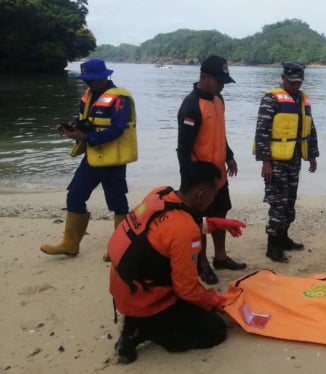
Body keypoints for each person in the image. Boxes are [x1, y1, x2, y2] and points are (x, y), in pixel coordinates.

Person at [108, 161, 246, 364]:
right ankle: (145, 330)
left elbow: (170, 227)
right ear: (201, 194)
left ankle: (136, 322)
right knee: (215, 330)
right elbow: (187, 289)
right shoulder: (185, 231)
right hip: (145, 297)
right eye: (214, 193)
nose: (215, 198)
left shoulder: (161, 193)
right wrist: (213, 301)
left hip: (124, 285)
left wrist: (219, 223)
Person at [40, 58, 137, 258]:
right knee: (75, 194)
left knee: (117, 203)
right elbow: (83, 120)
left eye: (92, 80)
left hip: (114, 160)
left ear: (105, 76)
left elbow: (117, 130)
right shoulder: (89, 95)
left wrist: (86, 137)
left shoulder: (120, 98)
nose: (88, 83)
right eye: (86, 80)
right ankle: (70, 244)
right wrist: (71, 128)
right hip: (93, 156)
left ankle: (121, 248)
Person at [177, 55, 245, 285]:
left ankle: (221, 257)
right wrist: (188, 180)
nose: (222, 86)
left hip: (219, 176)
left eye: (224, 81)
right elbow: (183, 147)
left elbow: (219, 134)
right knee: (199, 222)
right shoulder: (190, 106)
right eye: (219, 81)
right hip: (200, 179)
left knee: (220, 214)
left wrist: (230, 156)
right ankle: (202, 262)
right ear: (204, 77)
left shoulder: (219, 101)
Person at [254, 61, 319, 263]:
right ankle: (272, 246)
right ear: (283, 78)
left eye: (298, 82)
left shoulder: (303, 99)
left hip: (295, 159)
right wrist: (265, 162)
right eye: (291, 82)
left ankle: (283, 238)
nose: (295, 85)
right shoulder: (271, 99)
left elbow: (311, 129)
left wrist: (313, 155)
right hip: (276, 162)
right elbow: (261, 131)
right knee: (277, 203)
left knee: (289, 202)